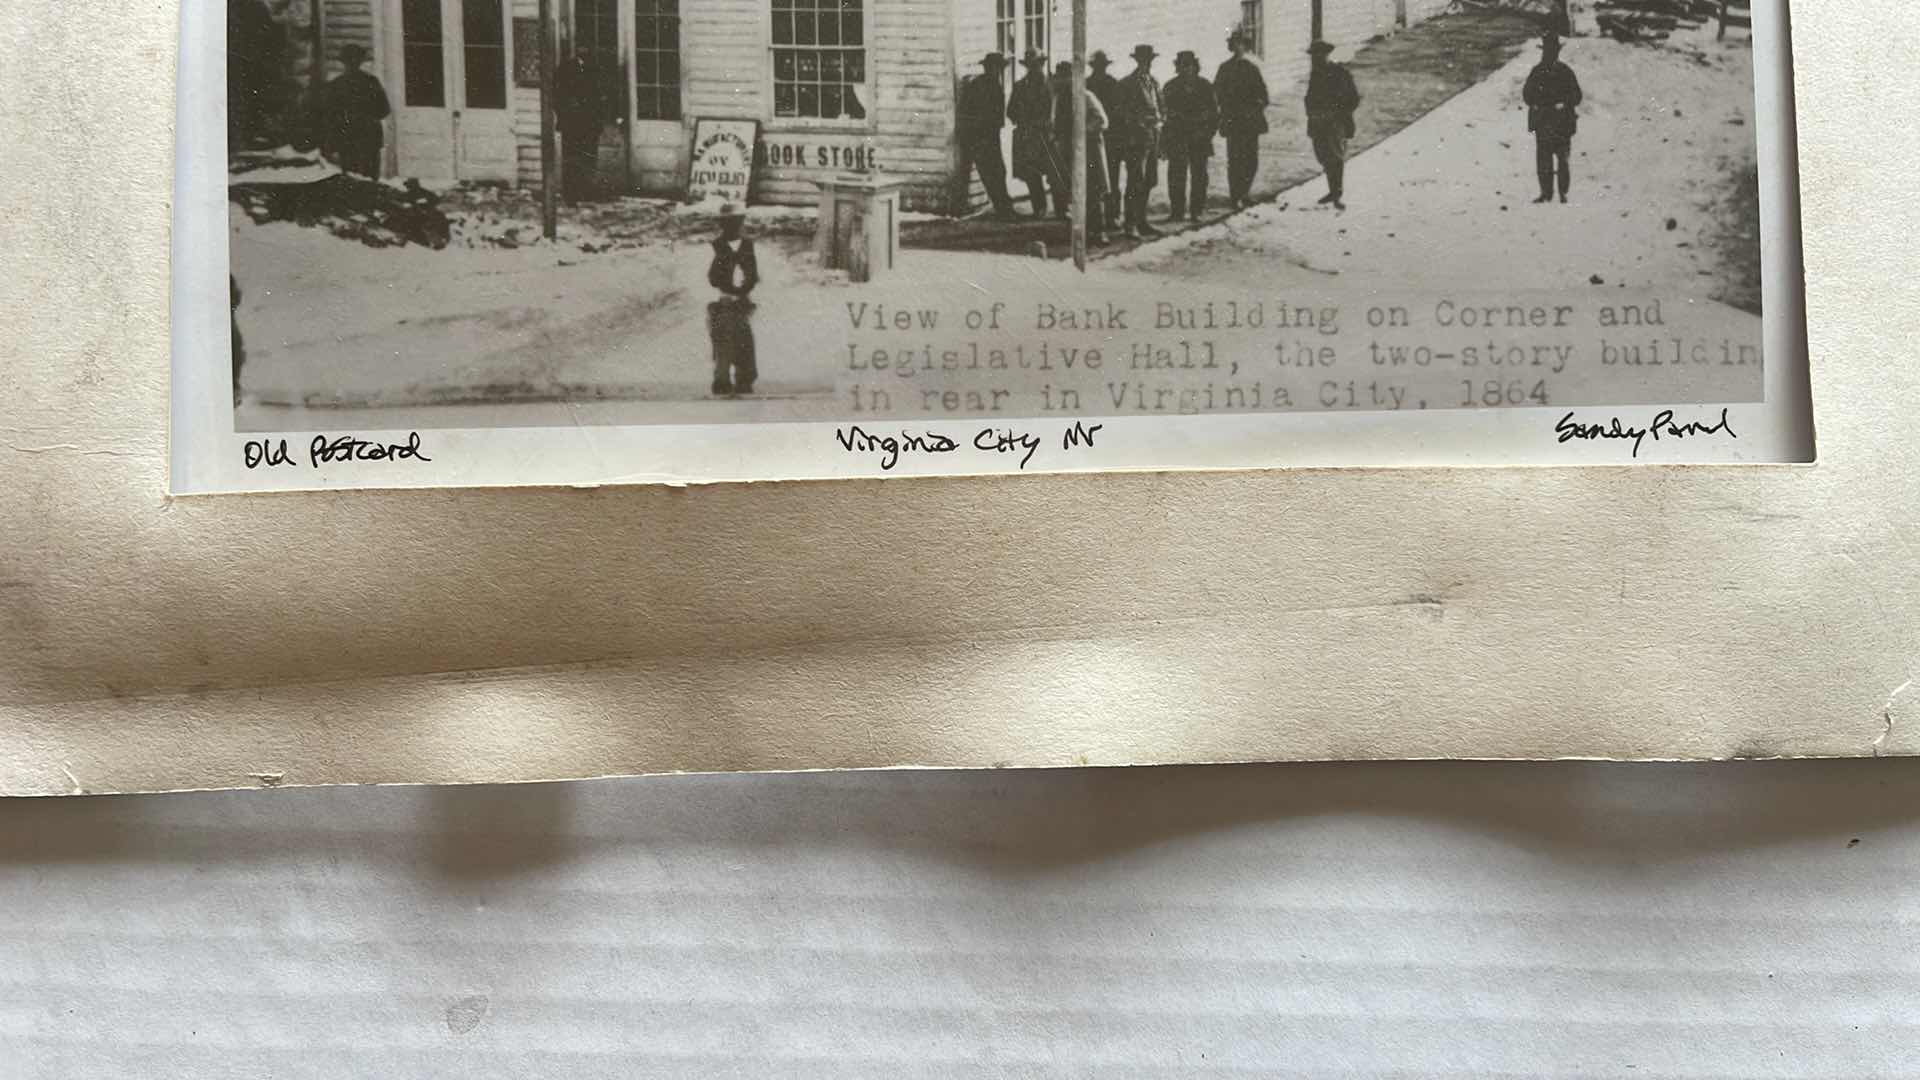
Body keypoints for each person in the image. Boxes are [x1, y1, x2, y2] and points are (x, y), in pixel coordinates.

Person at [1523, 30, 1583, 204]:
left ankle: (1563, 192)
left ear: (1557, 52)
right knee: (1544, 161)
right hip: (1543, 122)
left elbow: (1577, 96)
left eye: (1552, 51)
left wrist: (1564, 103)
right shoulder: (1537, 72)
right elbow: (1527, 95)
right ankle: (1546, 193)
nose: (1549, 54)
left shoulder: (1565, 72)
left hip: (1562, 123)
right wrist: (1536, 103)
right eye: (1547, 51)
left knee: (1562, 160)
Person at [1112, 44, 1164, 239]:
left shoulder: (1154, 82)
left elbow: (1162, 107)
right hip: (1135, 140)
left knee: (1149, 181)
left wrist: (1160, 120)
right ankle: (1130, 224)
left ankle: (1142, 221)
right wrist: (1139, 121)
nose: (1147, 64)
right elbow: (1119, 111)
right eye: (1143, 60)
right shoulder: (1127, 84)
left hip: (1153, 138)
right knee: (1136, 181)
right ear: (1137, 61)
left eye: (1149, 60)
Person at [706, 204, 759, 397]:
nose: (732, 227)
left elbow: (754, 273)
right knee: (723, 342)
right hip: (722, 301)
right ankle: (722, 381)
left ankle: (745, 380)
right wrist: (725, 292)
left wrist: (745, 288)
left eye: (736, 222)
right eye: (727, 223)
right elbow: (711, 278)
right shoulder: (715, 247)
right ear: (722, 225)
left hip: (742, 302)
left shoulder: (748, 246)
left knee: (745, 342)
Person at [1214, 29, 1270, 209]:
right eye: (1235, 44)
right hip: (1233, 121)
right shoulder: (1224, 68)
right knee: (1235, 159)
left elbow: (1264, 95)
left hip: (1250, 121)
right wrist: (1226, 109)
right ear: (1232, 47)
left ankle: (1245, 192)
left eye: (1242, 44)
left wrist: (1257, 104)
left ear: (1245, 47)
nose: (1239, 47)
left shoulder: (1252, 68)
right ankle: (1235, 196)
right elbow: (1217, 93)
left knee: (1251, 160)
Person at [1161, 50, 1218, 222]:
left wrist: (1207, 134)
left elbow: (1214, 115)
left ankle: (1197, 210)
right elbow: (1165, 116)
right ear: (1177, 67)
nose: (1186, 69)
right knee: (1176, 176)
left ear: (1195, 67)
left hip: (1200, 138)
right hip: (1177, 138)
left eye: (1189, 65)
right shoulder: (1170, 87)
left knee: (1199, 176)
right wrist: (1165, 141)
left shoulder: (1205, 86)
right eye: (1182, 65)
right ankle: (1177, 212)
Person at [1007, 51, 1066, 218]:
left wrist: (1051, 125)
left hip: (1049, 135)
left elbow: (1060, 110)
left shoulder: (1053, 84)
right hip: (1028, 136)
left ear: (1042, 64)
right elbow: (1010, 111)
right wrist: (1024, 121)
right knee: (1032, 173)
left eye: (1037, 64)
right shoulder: (1020, 86)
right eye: (1031, 65)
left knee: (1056, 173)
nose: (1034, 68)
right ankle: (1039, 208)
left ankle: (1061, 209)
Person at [957, 53, 1016, 218]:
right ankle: (1003, 209)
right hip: (980, 136)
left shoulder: (993, 84)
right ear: (989, 68)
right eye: (996, 67)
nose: (998, 71)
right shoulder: (980, 85)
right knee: (991, 172)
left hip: (990, 135)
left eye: (999, 68)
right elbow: (968, 110)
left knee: (998, 171)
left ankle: (1004, 207)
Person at [1304, 40, 1360, 209]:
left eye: (1319, 55)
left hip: (1335, 123)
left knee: (1335, 157)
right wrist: (1311, 112)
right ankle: (1333, 191)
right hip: (1318, 122)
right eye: (1313, 56)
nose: (1316, 58)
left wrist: (1337, 114)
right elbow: (1309, 98)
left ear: (1327, 54)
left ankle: (1337, 194)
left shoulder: (1339, 73)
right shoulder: (1315, 75)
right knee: (1324, 157)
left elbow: (1353, 99)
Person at [325, 44, 391, 180]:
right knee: (370, 179)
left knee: (350, 180)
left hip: (347, 137)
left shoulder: (336, 85)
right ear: (361, 61)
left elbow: (330, 117)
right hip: (368, 137)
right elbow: (384, 110)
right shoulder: (372, 82)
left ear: (343, 62)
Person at [556, 47, 605, 204]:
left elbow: (601, 96)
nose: (584, 51)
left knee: (588, 159)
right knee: (571, 159)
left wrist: (599, 120)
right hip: (571, 124)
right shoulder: (565, 68)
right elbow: (557, 95)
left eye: (587, 48)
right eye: (581, 47)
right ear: (576, 50)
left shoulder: (596, 68)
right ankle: (571, 195)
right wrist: (564, 114)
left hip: (590, 123)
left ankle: (586, 192)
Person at [1086, 51, 1125, 228]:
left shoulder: (1113, 84)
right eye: (1097, 66)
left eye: (1102, 66)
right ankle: (1096, 218)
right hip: (1093, 138)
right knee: (1095, 179)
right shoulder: (1086, 84)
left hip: (1111, 138)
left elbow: (1119, 112)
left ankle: (1112, 215)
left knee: (1112, 179)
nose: (1099, 69)